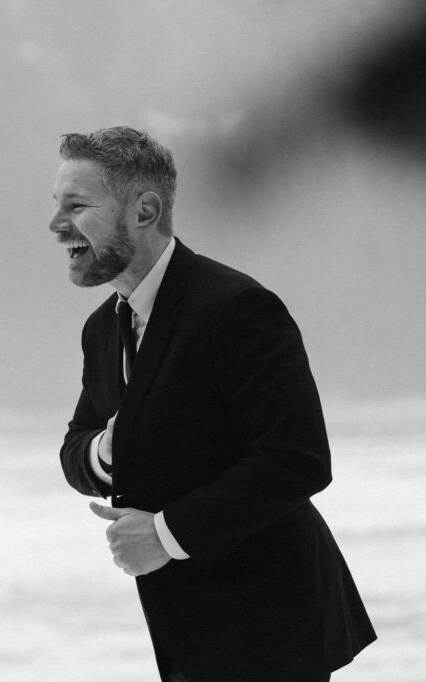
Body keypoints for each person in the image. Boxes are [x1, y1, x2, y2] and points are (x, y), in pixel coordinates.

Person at [50, 126, 375, 681]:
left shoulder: (238, 308)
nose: (58, 227)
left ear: (145, 211)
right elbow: (78, 449)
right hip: (185, 632)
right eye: (58, 206)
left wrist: (165, 535)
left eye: (76, 207)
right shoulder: (101, 328)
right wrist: (109, 449)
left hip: (271, 627)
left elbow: (297, 459)